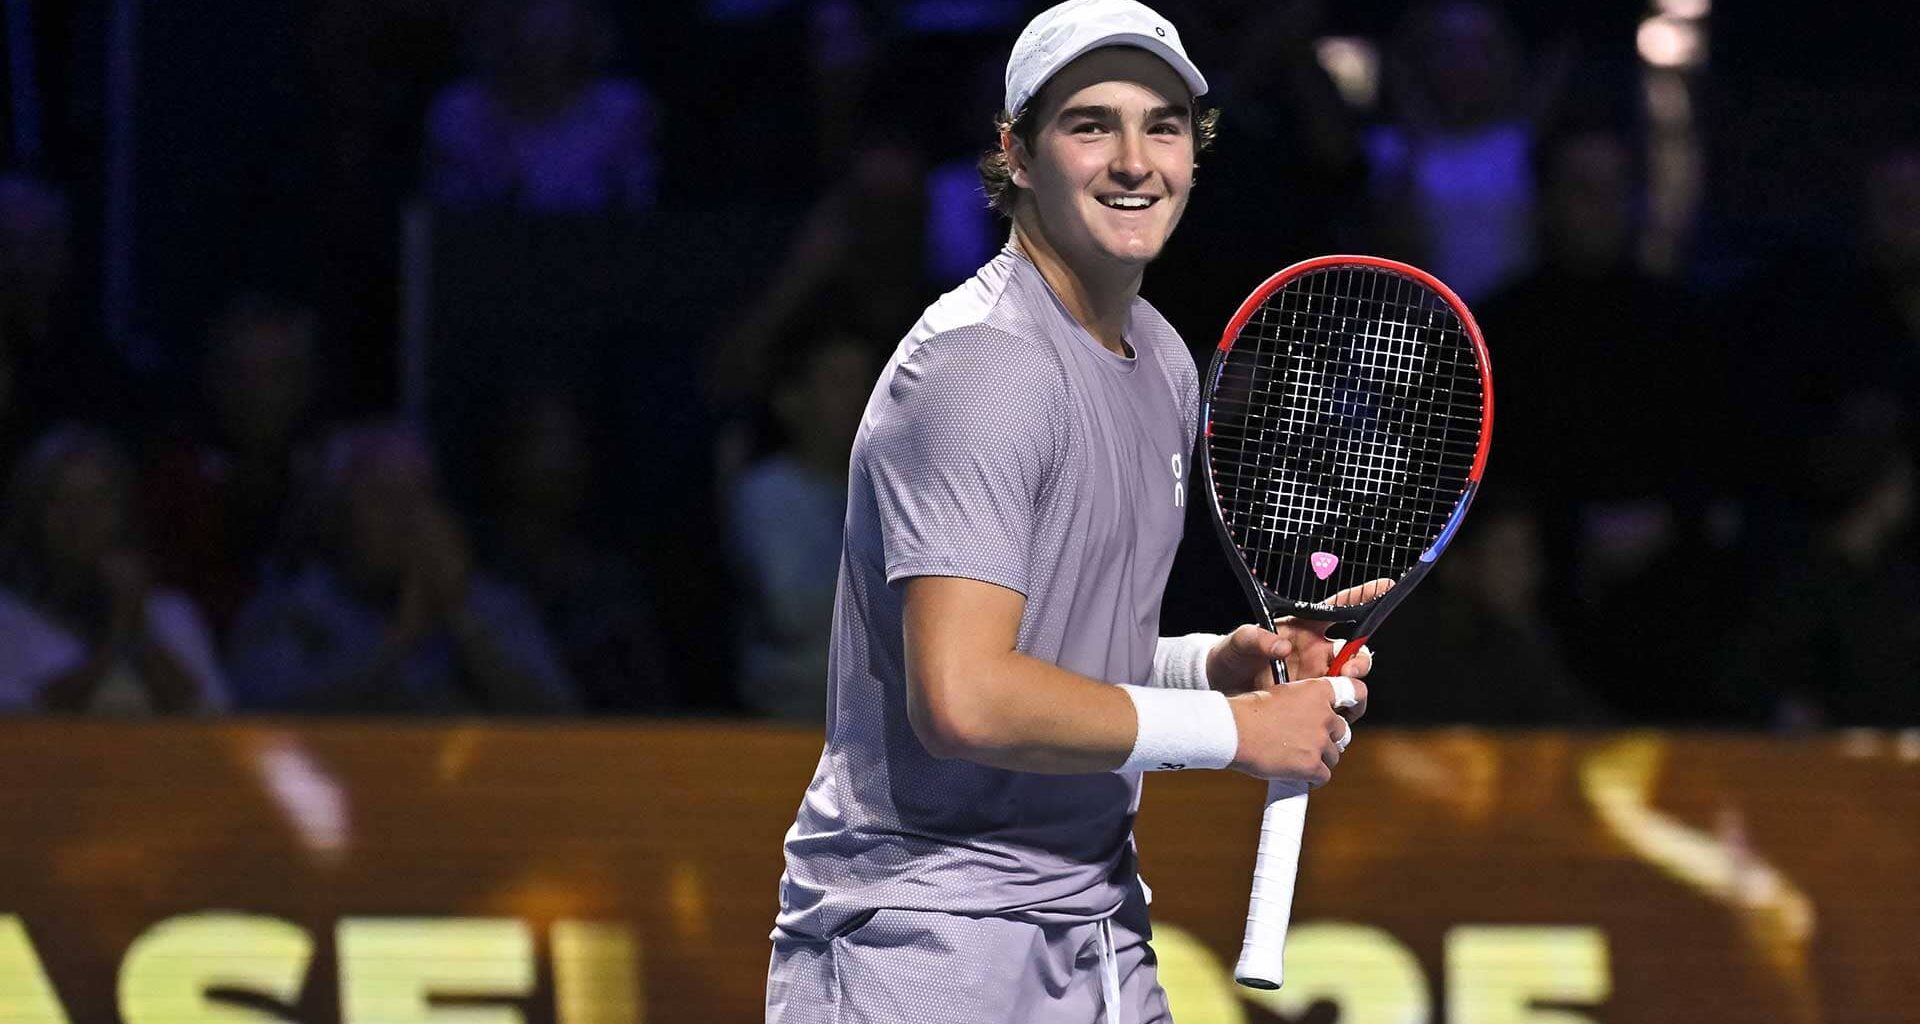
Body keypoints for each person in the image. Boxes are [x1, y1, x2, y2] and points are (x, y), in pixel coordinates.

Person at [766, 4, 1375, 1022]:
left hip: (1095, 931)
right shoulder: (979, 367)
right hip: (924, 943)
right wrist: (1232, 730)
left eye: (1164, 125)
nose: (1135, 160)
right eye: (1091, 125)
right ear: (1016, 154)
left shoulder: (1167, 362)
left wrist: (1209, 665)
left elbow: (1060, 649)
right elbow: (965, 697)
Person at [225, 422, 576, 714]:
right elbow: (261, 724)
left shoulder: (492, 608)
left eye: (418, 499)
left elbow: (560, 726)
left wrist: (459, 618)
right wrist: (399, 641)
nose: (405, 520)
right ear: (336, 514)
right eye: (382, 500)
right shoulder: (290, 611)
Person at [0, 426, 228, 714]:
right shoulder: (7, 618)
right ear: (32, 514)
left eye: (98, 499)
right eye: (60, 500)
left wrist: (139, 629)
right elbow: (24, 722)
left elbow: (211, 715)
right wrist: (115, 639)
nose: (81, 518)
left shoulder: (172, 614)